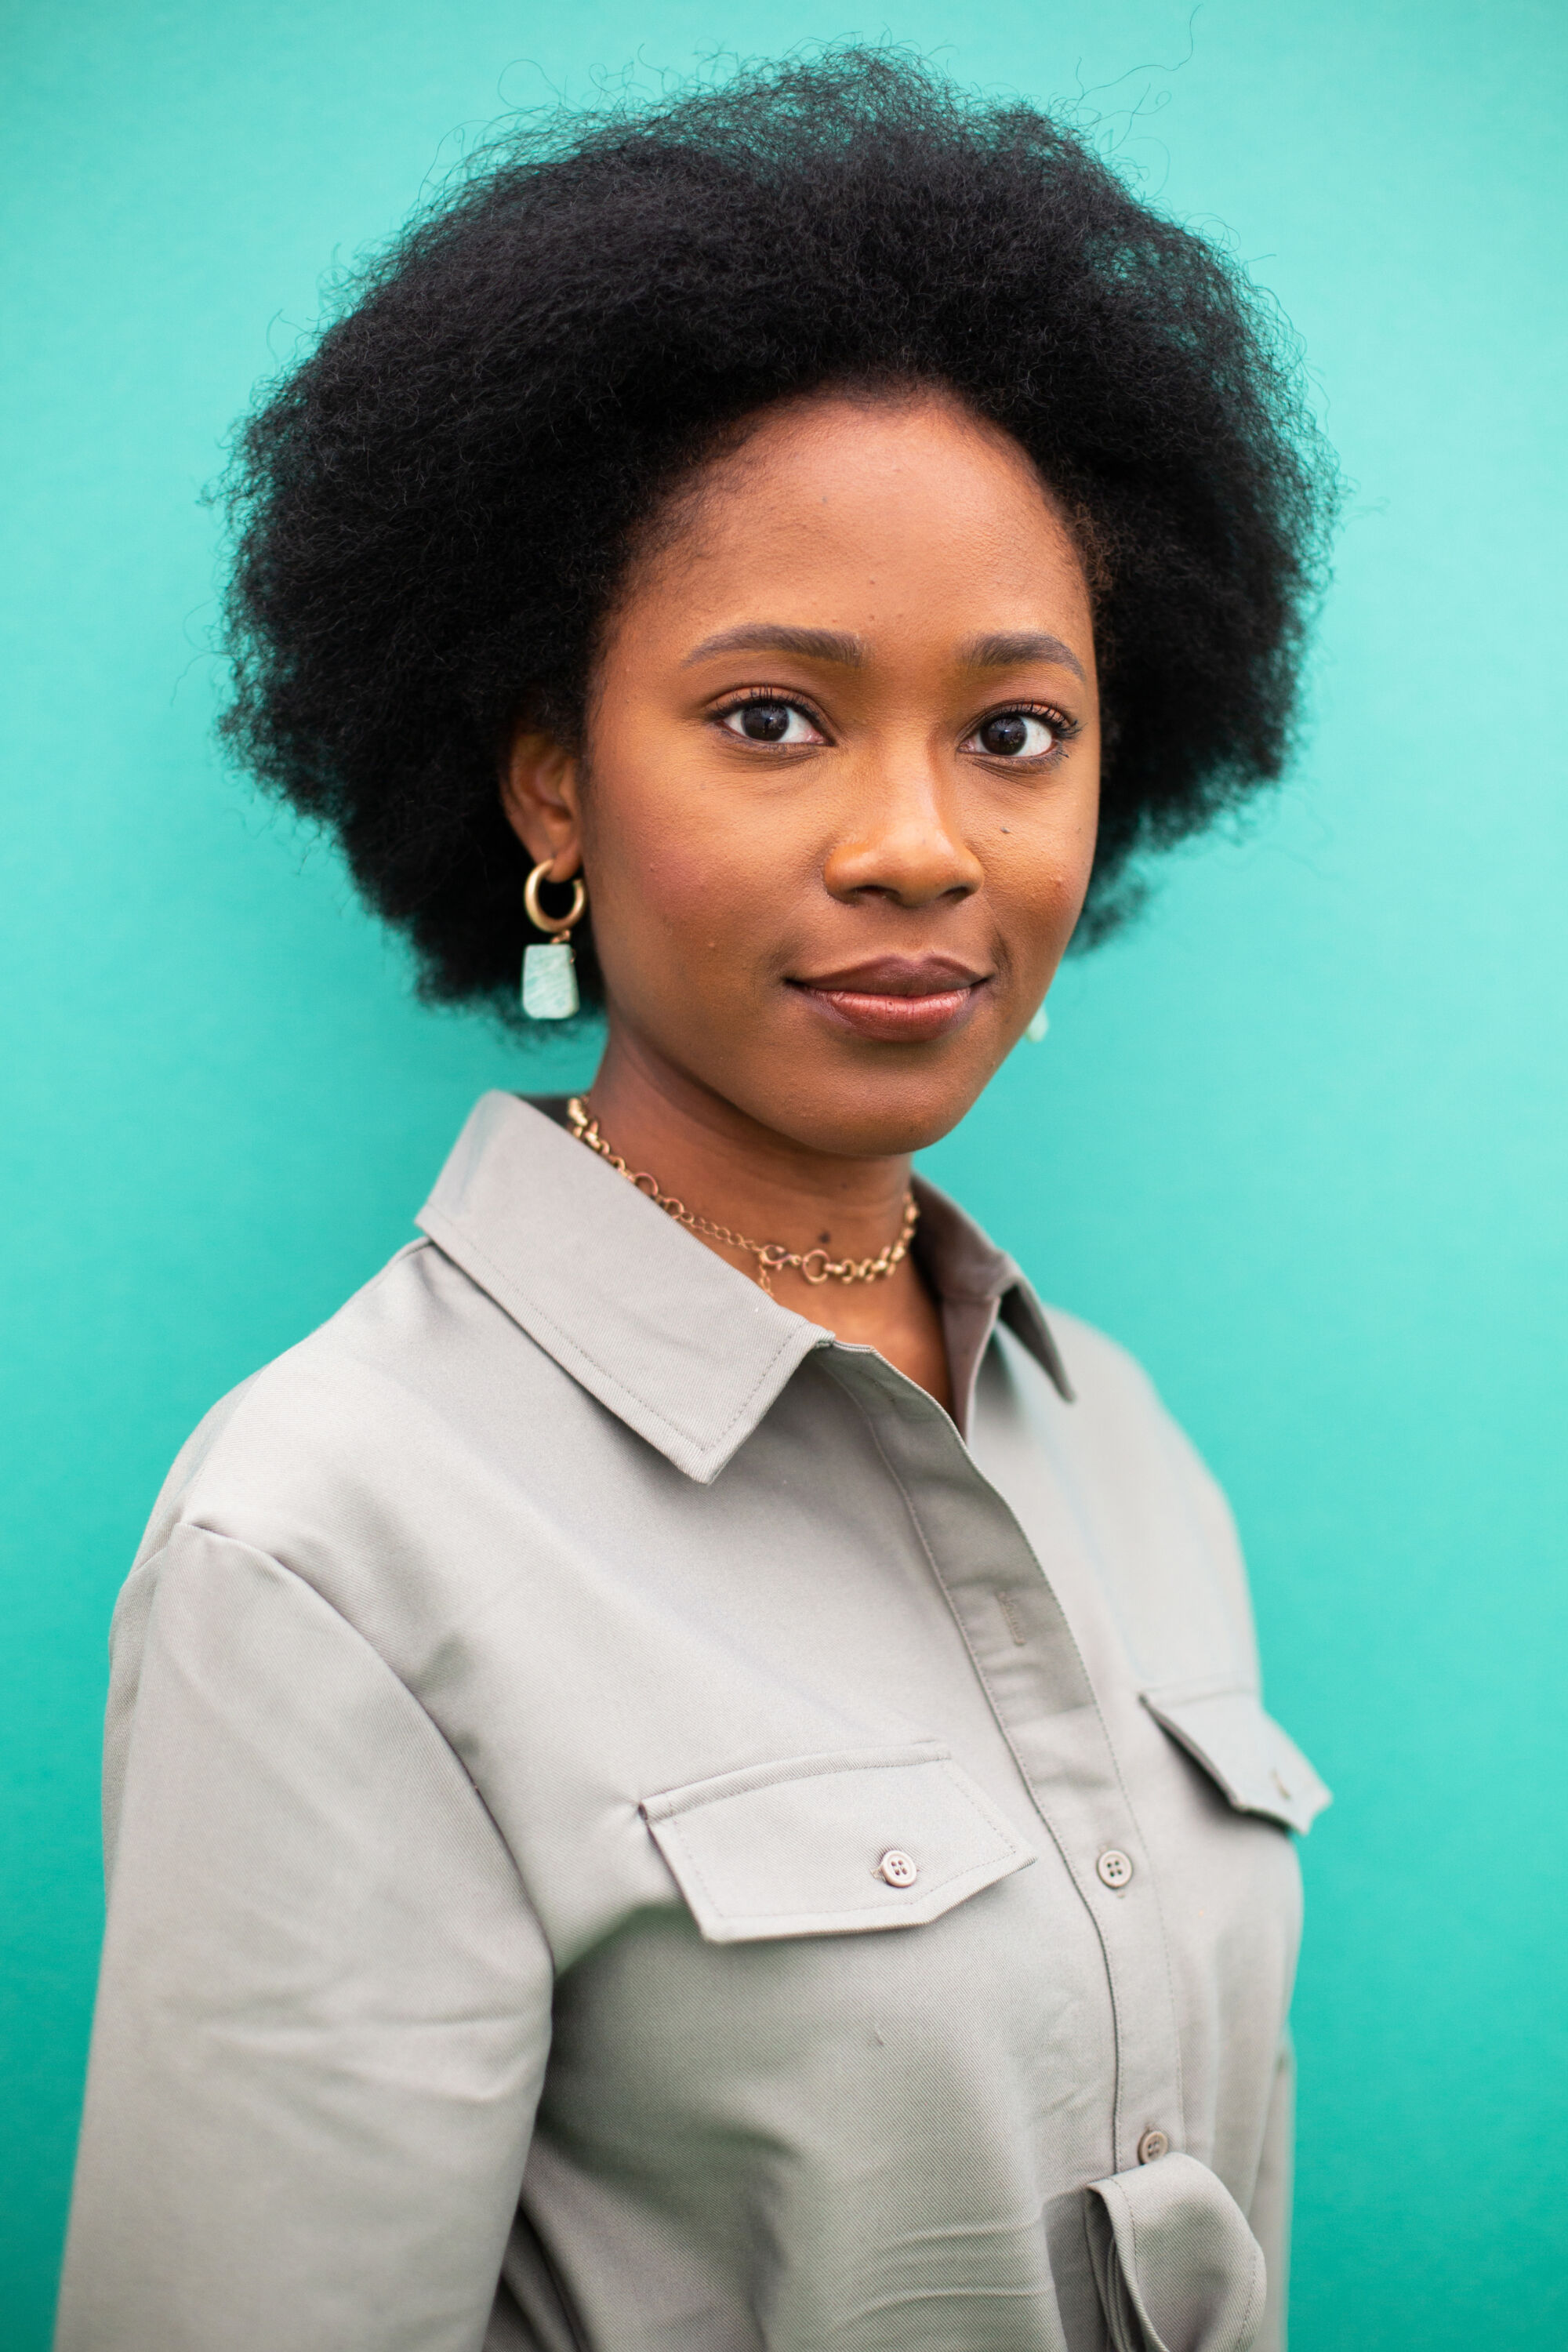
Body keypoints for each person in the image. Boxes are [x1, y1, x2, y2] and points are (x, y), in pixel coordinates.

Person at [56, 50, 1337, 2352]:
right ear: (550, 770)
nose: (921, 843)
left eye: (1016, 730)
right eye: (771, 717)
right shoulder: (338, 1544)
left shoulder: (1121, 1441)